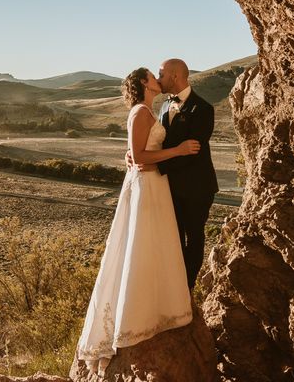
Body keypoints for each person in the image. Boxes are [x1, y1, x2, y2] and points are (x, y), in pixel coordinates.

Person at [76, 67, 198, 378]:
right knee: (141, 247)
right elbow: (141, 156)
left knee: (154, 246)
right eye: (153, 75)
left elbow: (135, 152)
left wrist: (131, 155)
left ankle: (158, 308)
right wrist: (179, 150)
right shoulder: (141, 111)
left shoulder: (147, 110)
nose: (158, 78)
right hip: (146, 185)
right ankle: (136, 318)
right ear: (144, 82)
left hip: (154, 184)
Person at [126, 58, 219, 290]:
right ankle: (171, 290)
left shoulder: (204, 109)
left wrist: (155, 165)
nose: (158, 79)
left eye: (161, 74)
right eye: (155, 75)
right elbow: (154, 142)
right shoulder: (164, 106)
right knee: (173, 240)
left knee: (194, 238)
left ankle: (186, 289)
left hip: (197, 187)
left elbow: (192, 153)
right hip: (169, 187)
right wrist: (133, 154)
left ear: (174, 76)